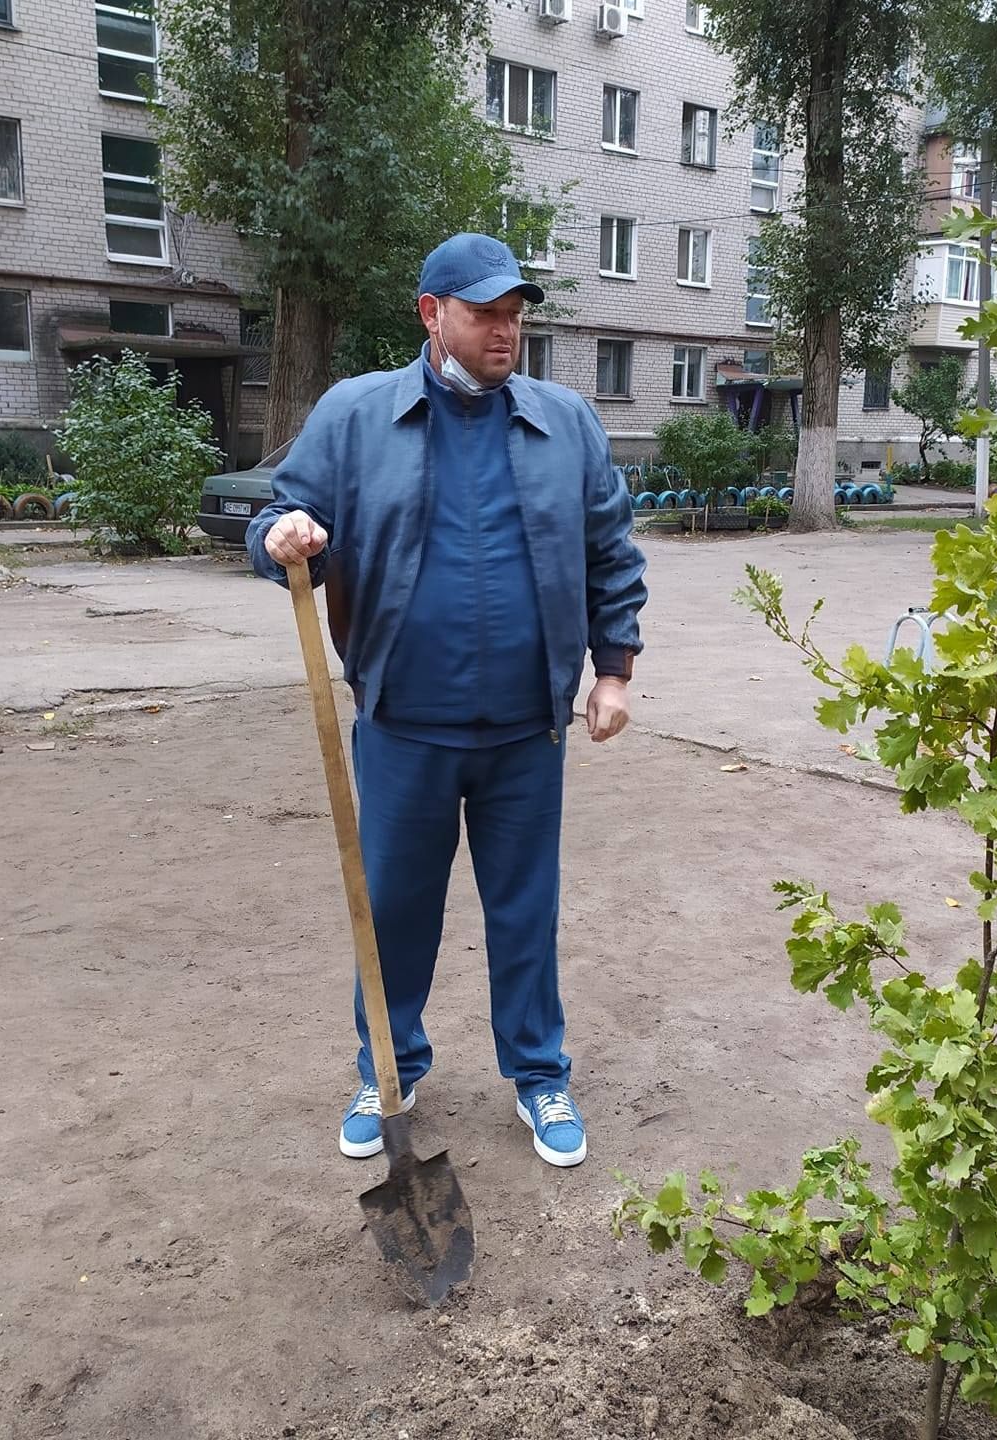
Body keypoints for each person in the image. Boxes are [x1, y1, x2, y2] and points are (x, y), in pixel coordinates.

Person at [247, 233, 647, 1169]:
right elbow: (276, 514)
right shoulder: (356, 415)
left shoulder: (566, 422)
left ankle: (540, 1076)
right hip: (403, 726)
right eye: (485, 314)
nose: (506, 331)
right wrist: (286, 537)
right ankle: (387, 1070)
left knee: (524, 909)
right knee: (391, 909)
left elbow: (610, 553)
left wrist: (614, 669)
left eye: (515, 315)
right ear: (433, 314)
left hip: (525, 730)